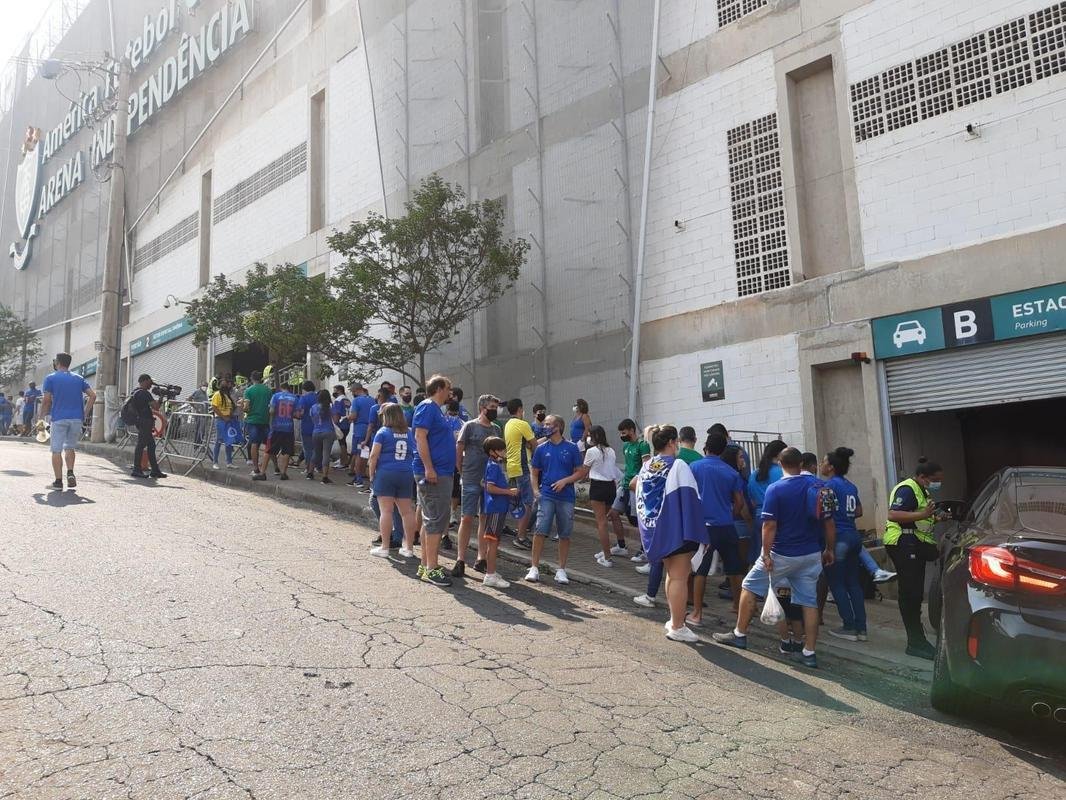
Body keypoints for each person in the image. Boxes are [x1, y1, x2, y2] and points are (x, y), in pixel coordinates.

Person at [713, 447, 836, 668]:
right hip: (810, 555)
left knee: (749, 586)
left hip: (782, 553)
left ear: (780, 464)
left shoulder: (775, 489)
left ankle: (740, 634)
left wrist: (766, 554)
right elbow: (829, 522)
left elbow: (769, 525)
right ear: (801, 464)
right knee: (809, 602)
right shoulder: (820, 487)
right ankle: (809, 653)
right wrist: (829, 549)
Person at [634, 424, 708, 642]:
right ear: (671, 443)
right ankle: (677, 625)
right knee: (679, 577)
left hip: (655, 528)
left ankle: (674, 618)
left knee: (671, 575)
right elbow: (690, 497)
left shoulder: (646, 466)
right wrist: (698, 531)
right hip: (677, 529)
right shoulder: (678, 465)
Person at [884, 458, 946, 659]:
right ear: (922, 477)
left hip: (913, 543)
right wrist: (923, 514)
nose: (937, 483)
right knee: (910, 593)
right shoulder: (907, 489)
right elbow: (893, 514)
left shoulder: (922, 490)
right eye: (934, 480)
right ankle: (915, 642)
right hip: (901, 542)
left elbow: (920, 516)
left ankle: (917, 639)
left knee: (915, 593)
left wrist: (936, 517)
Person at [688, 432, 751, 624]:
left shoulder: (694, 467)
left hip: (705, 527)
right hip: (727, 525)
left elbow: (688, 495)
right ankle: (738, 609)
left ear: (706, 446)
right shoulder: (731, 472)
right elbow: (739, 502)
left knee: (701, 570)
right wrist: (729, 515)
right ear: (724, 450)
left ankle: (697, 613)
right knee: (735, 568)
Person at [525, 414, 586, 584]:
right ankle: (534, 567)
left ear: (558, 427)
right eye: (544, 424)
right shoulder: (541, 448)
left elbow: (580, 471)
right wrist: (536, 491)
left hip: (566, 497)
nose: (544, 426)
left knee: (564, 533)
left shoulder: (572, 448)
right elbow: (534, 471)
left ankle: (561, 569)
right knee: (540, 530)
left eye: (548, 424)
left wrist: (565, 481)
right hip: (547, 496)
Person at [412, 374, 457, 587]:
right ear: (439, 388)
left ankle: (425, 564)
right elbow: (420, 436)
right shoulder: (428, 407)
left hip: (440, 472)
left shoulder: (436, 410)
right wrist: (429, 468)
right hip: (433, 473)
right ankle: (431, 568)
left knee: (432, 519)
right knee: (436, 520)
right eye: (448, 388)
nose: (451, 392)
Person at [820, 447, 868, 642]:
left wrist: (828, 546)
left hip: (838, 537)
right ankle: (861, 628)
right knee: (853, 583)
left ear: (831, 467)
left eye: (824, 461)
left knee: (836, 583)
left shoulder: (828, 487)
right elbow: (858, 511)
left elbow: (826, 516)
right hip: (853, 536)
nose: (821, 465)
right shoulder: (850, 486)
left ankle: (848, 626)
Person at [453, 395, 501, 578]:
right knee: (466, 518)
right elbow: (459, 449)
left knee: (485, 519)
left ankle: (481, 558)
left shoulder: (496, 429)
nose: (495, 410)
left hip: (489, 481)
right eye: (491, 406)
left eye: (496, 406)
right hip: (471, 478)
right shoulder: (470, 426)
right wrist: (462, 471)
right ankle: (460, 559)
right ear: (482, 408)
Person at [39, 353, 97, 488]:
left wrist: (41, 417)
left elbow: (46, 401)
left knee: (56, 450)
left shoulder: (50, 378)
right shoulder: (79, 378)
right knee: (70, 447)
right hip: (77, 418)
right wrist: (84, 413)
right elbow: (93, 396)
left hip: (59, 418)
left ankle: (58, 482)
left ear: (57, 362)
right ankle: (70, 472)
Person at [368, 402, 417, 558]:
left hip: (386, 473)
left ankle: (385, 547)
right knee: (407, 512)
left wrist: (371, 475)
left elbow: (374, 455)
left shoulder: (382, 432)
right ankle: (408, 548)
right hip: (406, 473)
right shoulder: (410, 432)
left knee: (386, 511)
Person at [480, 436, 515, 589]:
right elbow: (490, 488)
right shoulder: (493, 466)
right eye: (501, 449)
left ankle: (491, 571)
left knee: (495, 541)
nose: (504, 452)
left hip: (498, 508)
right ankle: (490, 574)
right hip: (495, 508)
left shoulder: (495, 465)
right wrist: (508, 492)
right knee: (493, 542)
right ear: (492, 451)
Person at [746, 439, 787, 566]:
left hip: (758, 516)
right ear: (780, 455)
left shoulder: (754, 474)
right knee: (776, 555)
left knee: (760, 554)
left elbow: (751, 499)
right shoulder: (781, 472)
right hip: (776, 517)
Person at [583, 425, 619, 568]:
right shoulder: (611, 451)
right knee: (607, 520)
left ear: (595, 436)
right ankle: (607, 550)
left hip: (598, 486)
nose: (588, 438)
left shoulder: (591, 451)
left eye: (590, 435)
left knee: (601, 523)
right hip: (610, 486)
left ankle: (607, 557)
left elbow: (584, 471)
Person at [611, 419, 647, 562]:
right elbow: (628, 465)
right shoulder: (626, 446)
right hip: (624, 485)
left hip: (635, 486)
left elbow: (645, 467)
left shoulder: (642, 445)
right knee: (613, 513)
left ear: (632, 430)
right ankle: (621, 545)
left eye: (624, 432)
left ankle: (644, 549)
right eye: (620, 433)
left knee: (637, 520)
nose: (622, 435)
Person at [503, 398, 536, 550]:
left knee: (519, 502)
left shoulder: (508, 424)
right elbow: (535, 446)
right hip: (521, 467)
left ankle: (520, 531)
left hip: (511, 467)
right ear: (520, 409)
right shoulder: (523, 424)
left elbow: (525, 443)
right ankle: (521, 537)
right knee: (527, 503)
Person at [124, 373, 166, 480]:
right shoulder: (144, 393)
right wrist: (161, 397)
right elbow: (156, 407)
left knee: (151, 446)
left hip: (141, 421)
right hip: (145, 422)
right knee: (141, 445)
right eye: (150, 382)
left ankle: (155, 470)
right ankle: (137, 470)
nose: (151, 385)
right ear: (145, 381)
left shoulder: (135, 391)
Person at [258, 381, 298, 480]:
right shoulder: (294, 398)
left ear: (281, 388)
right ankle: (284, 473)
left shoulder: (276, 396)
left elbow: (271, 411)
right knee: (286, 451)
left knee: (268, 450)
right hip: (288, 428)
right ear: (289, 388)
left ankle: (262, 473)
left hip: (276, 427)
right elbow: (297, 414)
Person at [242, 371, 271, 477]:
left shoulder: (248, 391)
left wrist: (242, 408)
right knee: (268, 444)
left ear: (251, 378)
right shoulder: (268, 391)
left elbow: (246, 408)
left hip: (252, 420)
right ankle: (276, 467)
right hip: (265, 420)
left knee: (254, 443)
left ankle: (256, 468)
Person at [347, 383, 373, 486]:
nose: (353, 394)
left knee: (358, 454)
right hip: (369, 430)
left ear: (356, 390)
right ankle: (362, 474)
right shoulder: (371, 399)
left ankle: (358, 479)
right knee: (365, 453)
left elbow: (353, 416)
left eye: (353, 392)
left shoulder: (356, 401)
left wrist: (348, 417)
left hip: (359, 430)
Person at [210, 377, 239, 470]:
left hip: (228, 419)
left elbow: (231, 407)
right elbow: (214, 407)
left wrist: (230, 415)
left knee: (229, 441)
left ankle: (229, 462)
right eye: (223, 384)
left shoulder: (227, 396)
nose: (225, 386)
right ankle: (215, 462)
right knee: (219, 440)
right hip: (220, 420)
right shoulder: (217, 395)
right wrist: (224, 417)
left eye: (226, 384)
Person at [310, 389, 336, 484]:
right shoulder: (330, 407)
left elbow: (312, 419)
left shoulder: (313, 407)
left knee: (315, 453)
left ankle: (310, 472)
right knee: (326, 454)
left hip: (316, 431)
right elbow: (336, 419)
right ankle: (325, 477)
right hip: (328, 431)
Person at [296, 381, 319, 477]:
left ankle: (308, 468)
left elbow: (300, 413)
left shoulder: (303, 398)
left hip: (306, 426)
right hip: (318, 426)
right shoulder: (318, 396)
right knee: (317, 449)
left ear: (304, 389)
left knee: (307, 449)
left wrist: (295, 415)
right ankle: (318, 467)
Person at [331, 385, 351, 469]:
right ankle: (343, 459)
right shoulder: (347, 400)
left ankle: (344, 462)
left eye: (335, 390)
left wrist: (335, 424)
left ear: (339, 391)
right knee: (343, 443)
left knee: (341, 443)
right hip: (347, 423)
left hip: (340, 424)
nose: (333, 392)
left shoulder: (338, 400)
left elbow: (336, 414)